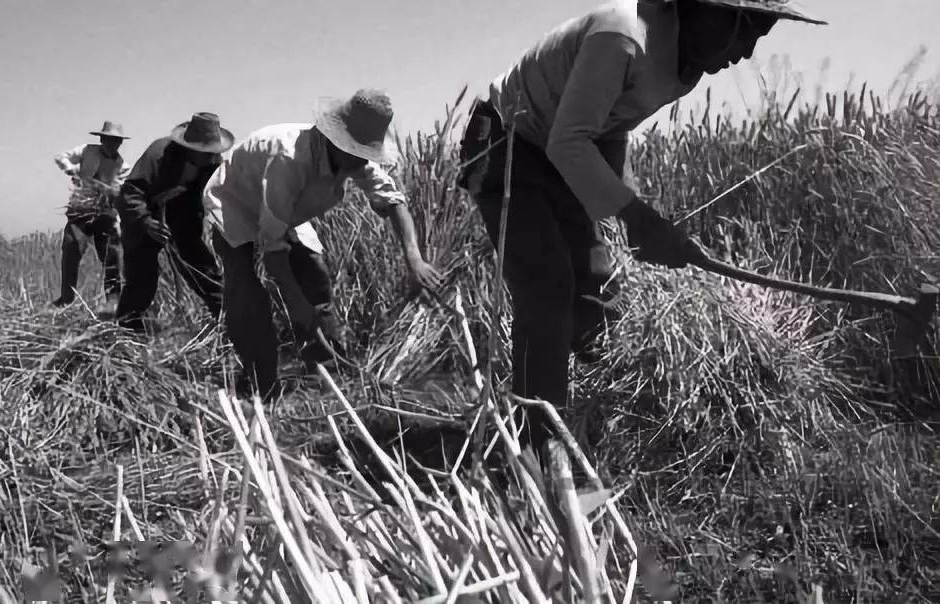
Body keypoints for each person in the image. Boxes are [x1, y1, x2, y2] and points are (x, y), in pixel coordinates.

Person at [455, 0, 827, 449]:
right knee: (547, 287)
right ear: (699, 9)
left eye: (758, 38)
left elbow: (610, 128)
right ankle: (541, 451)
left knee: (598, 284)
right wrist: (638, 219)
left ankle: (596, 428)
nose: (745, 52)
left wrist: (630, 218)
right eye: (743, 30)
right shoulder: (623, 36)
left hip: (560, 151)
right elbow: (568, 140)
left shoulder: (680, 67)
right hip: (507, 142)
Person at [202, 88, 442, 401]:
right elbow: (273, 249)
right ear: (337, 139)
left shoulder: (355, 161)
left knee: (316, 280)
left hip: (288, 210)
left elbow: (394, 203)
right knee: (247, 293)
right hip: (235, 203)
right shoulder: (289, 158)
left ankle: (325, 375)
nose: (364, 160)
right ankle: (261, 383)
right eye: (358, 151)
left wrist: (415, 260)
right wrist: (294, 299)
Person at [114, 112, 234, 332]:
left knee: (204, 271)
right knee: (142, 279)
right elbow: (129, 195)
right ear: (190, 147)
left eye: (212, 152)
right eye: (205, 153)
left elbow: (218, 195)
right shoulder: (159, 154)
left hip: (183, 215)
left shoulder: (212, 161)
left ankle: (230, 324)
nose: (210, 157)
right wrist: (147, 222)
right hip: (145, 216)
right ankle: (126, 332)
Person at [51, 121, 131, 311]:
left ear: (120, 143)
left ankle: (113, 303)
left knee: (112, 257)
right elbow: (61, 158)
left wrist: (102, 188)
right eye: (109, 140)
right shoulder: (87, 151)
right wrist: (75, 172)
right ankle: (67, 300)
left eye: (116, 141)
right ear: (102, 139)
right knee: (71, 249)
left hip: (104, 213)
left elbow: (120, 191)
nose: (112, 144)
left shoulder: (122, 165)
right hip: (80, 210)